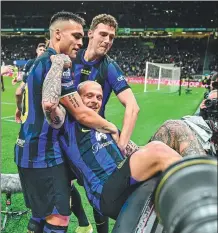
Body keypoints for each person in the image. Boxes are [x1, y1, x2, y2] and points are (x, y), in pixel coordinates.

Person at [14, 11, 119, 233]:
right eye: (76, 36)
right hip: (44, 155)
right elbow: (80, 112)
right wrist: (111, 128)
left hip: (27, 149)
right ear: (58, 34)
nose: (81, 43)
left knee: (41, 214)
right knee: (59, 219)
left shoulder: (39, 62)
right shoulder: (58, 63)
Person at [44, 80, 184, 221]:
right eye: (89, 96)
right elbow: (49, 104)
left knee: (170, 136)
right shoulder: (67, 124)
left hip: (124, 183)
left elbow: (133, 150)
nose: (95, 101)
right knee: (157, 149)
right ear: (78, 100)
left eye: (99, 97)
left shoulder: (105, 126)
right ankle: (198, 201)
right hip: (105, 192)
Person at [70, 14, 140, 232]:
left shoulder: (109, 67)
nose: (107, 40)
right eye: (103, 34)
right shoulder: (71, 57)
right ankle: (82, 223)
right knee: (63, 186)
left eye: (111, 37)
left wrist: (122, 143)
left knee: (97, 188)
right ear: (90, 33)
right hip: (63, 137)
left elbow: (132, 106)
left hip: (92, 138)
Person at [151, 90, 218, 157]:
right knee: (172, 126)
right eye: (210, 101)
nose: (213, 104)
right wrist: (202, 113)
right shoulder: (201, 117)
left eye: (216, 101)